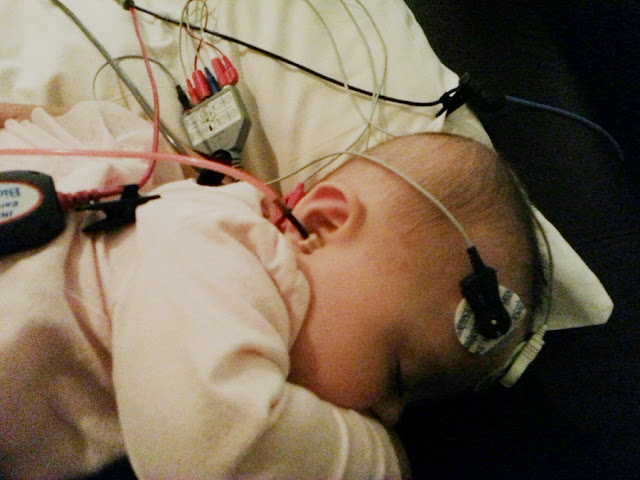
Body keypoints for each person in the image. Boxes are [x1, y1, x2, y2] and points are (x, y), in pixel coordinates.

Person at [0, 101, 540, 479]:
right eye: (399, 375)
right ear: (321, 224)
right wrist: (389, 461)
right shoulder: (218, 248)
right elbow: (215, 451)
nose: (393, 414)